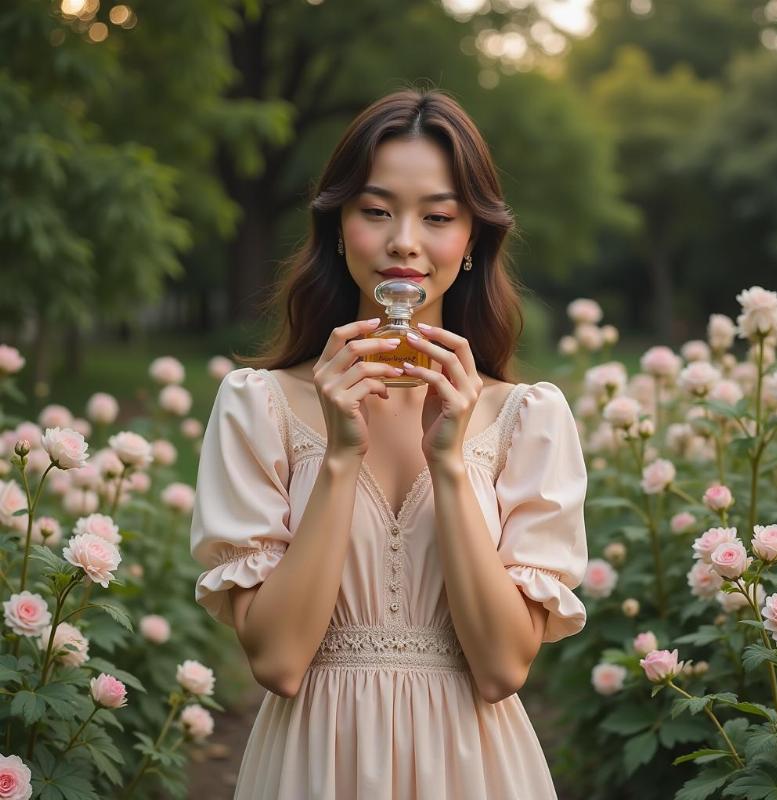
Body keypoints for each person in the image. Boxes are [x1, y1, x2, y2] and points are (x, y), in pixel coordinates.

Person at [189, 87, 588, 800]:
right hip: (314, 767)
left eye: (438, 216)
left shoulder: (528, 418)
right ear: (339, 228)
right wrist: (340, 457)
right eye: (376, 211)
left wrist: (451, 465)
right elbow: (278, 662)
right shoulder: (260, 405)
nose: (405, 239)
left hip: (478, 770)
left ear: (471, 242)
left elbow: (501, 669)